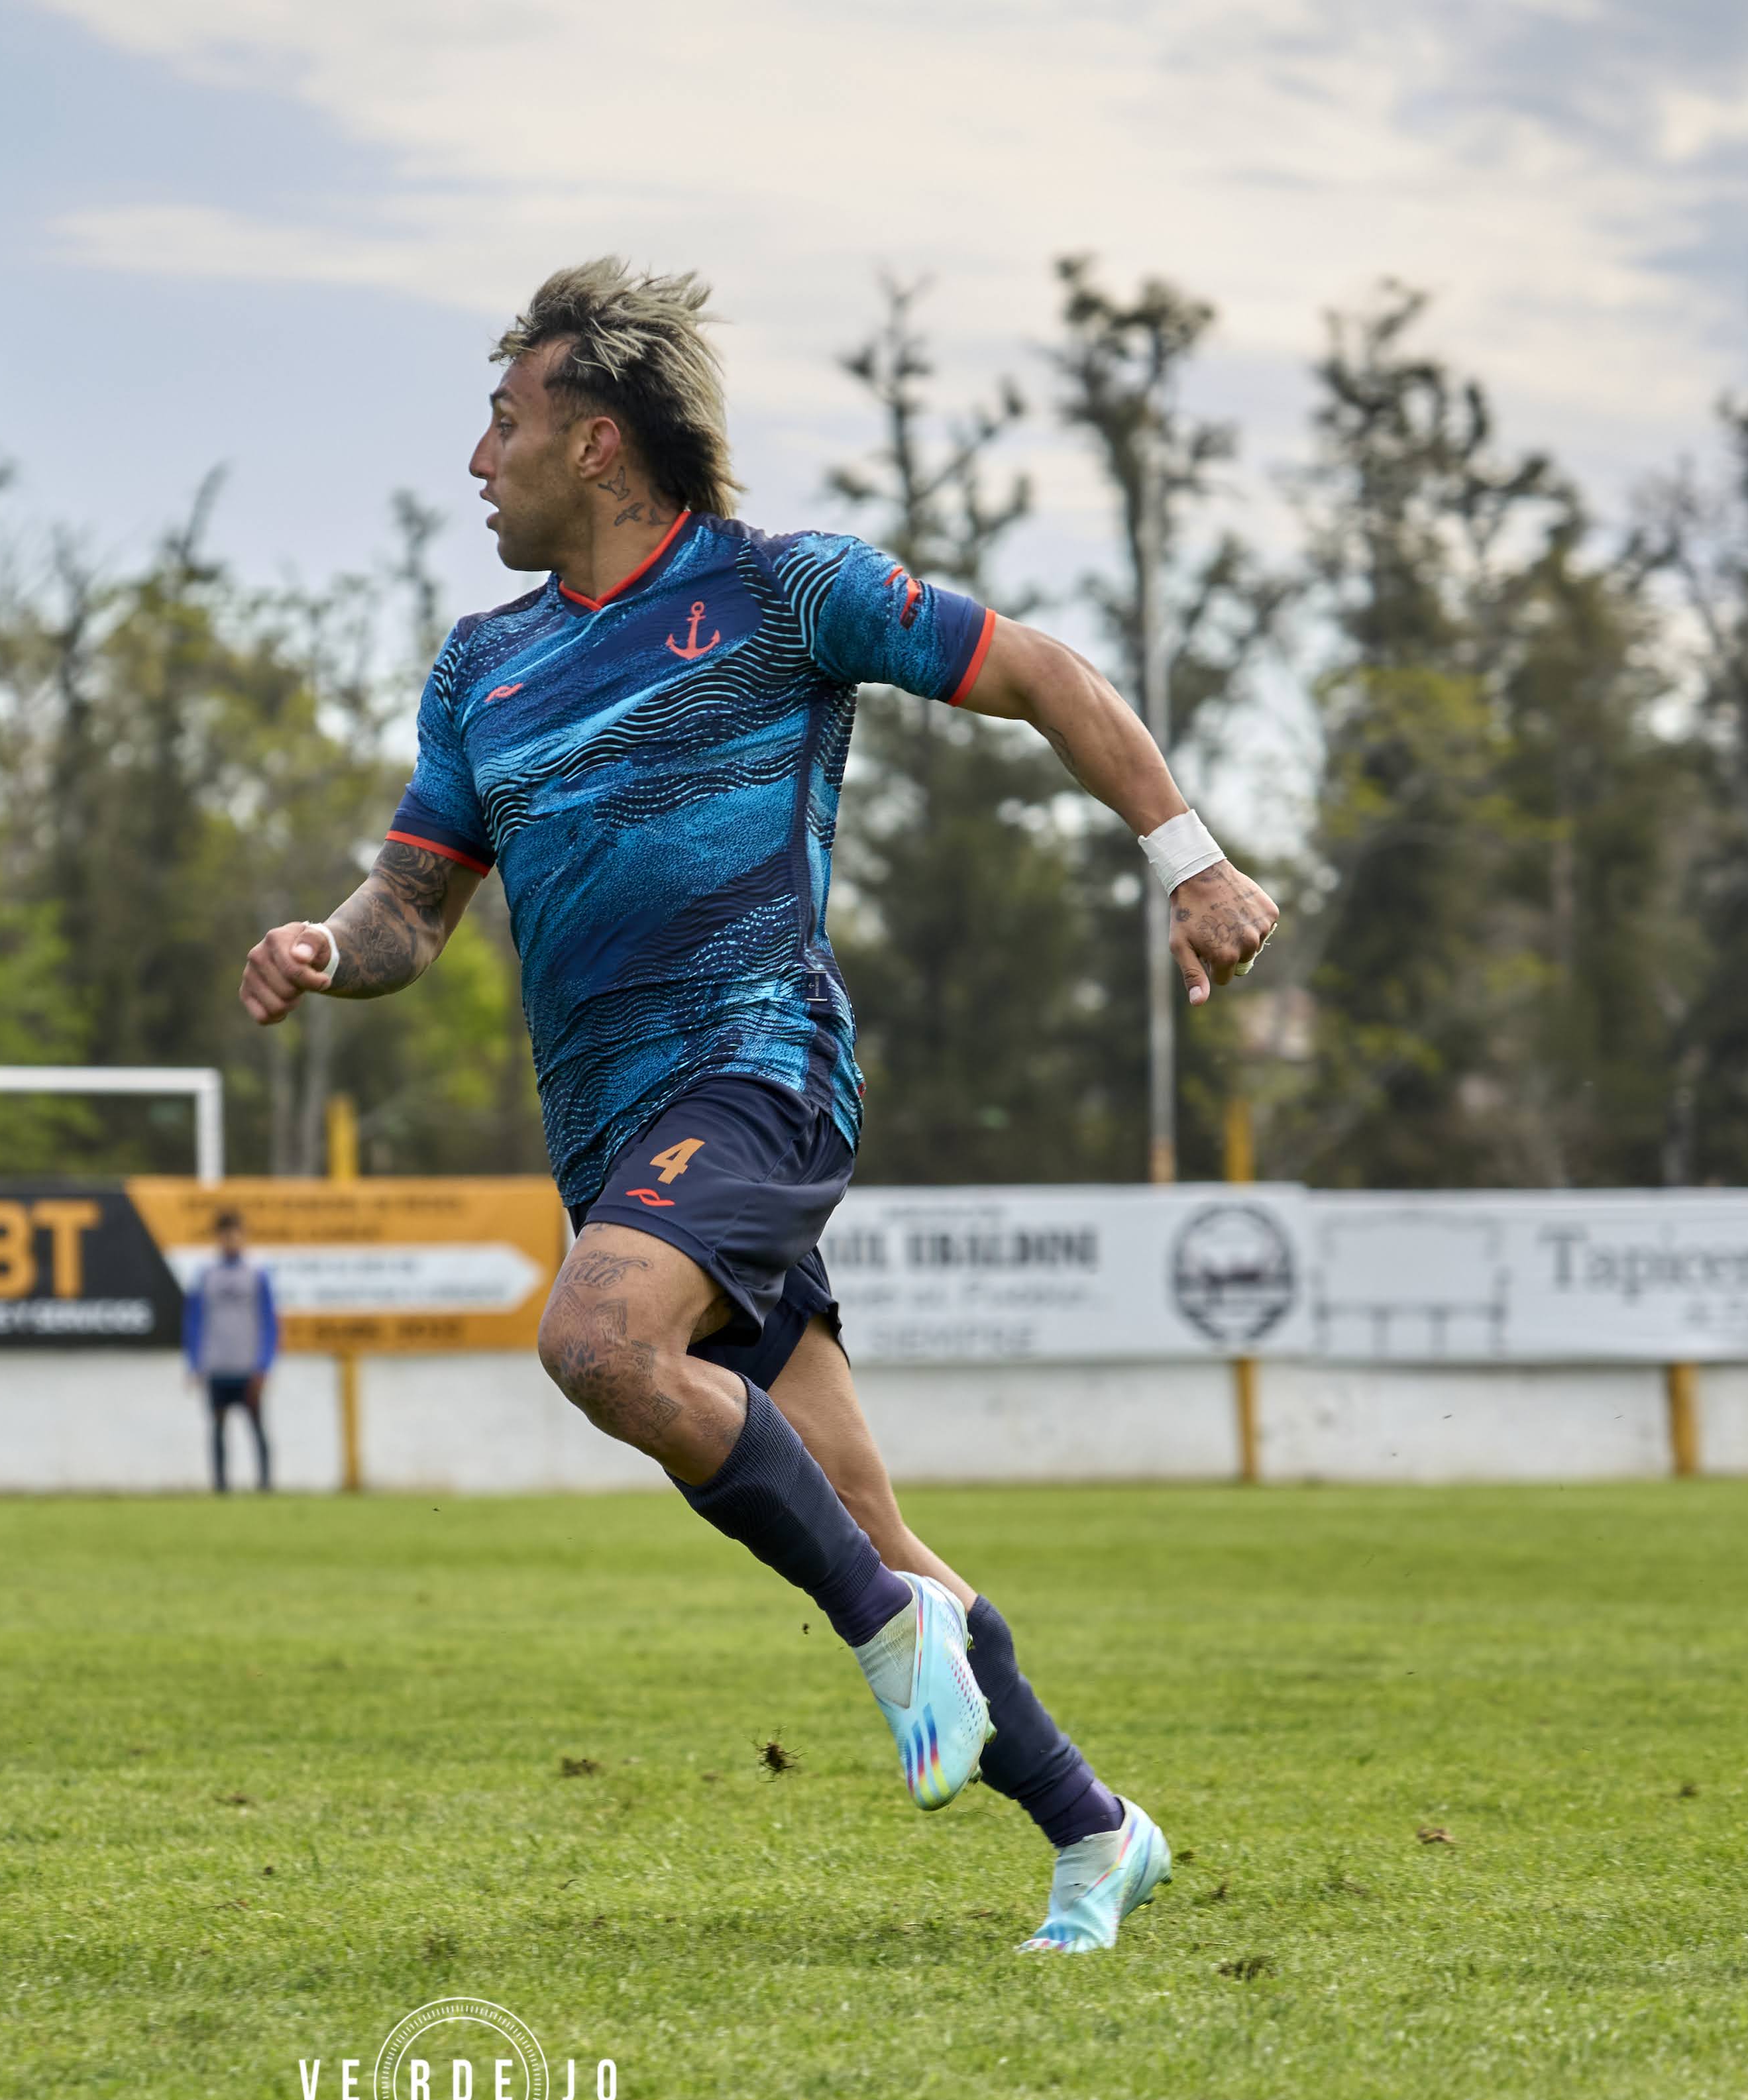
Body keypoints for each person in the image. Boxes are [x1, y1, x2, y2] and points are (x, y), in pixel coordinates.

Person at [239, 260, 1276, 1954]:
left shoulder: (784, 593)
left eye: (501, 421)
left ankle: (886, 1647)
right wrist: (319, 943)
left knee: (595, 1345)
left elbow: (1044, 675)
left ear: (594, 441)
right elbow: (411, 912)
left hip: (758, 1074)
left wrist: (1191, 859)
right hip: (621, 1146)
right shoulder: (480, 666)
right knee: (861, 1516)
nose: (473, 457)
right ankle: (1096, 1830)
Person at [183, 1210, 279, 1493]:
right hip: (217, 1366)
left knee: (258, 1428)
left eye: (236, 1234)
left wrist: (264, 1365)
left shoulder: (257, 1276)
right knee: (218, 1427)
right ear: (218, 1238)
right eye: (226, 1235)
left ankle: (265, 1485)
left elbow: (269, 1323)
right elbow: (193, 1323)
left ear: (243, 1236)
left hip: (247, 1367)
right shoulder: (205, 1277)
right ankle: (221, 1487)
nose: (231, 1240)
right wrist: (194, 1364)